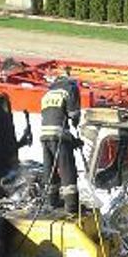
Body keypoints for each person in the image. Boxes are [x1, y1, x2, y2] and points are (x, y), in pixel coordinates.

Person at [39, 74, 81, 213]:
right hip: (59, 135)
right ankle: (71, 206)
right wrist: (76, 124)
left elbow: (52, 116)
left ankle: (52, 201)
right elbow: (73, 114)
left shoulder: (48, 93)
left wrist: (72, 141)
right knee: (67, 168)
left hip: (45, 135)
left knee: (49, 168)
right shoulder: (70, 89)